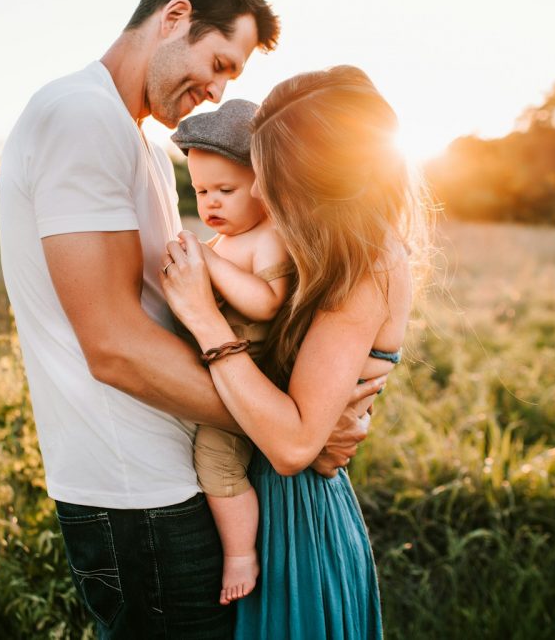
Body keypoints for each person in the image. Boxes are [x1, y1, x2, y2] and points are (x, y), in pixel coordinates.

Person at [0, 0, 387, 636]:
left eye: (231, 76)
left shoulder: (144, 146)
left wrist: (300, 418)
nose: (217, 90)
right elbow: (114, 346)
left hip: (177, 477)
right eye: (219, 62)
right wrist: (292, 429)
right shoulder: (79, 117)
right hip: (138, 492)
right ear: (175, 16)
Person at [160, 65, 428, 639]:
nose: (261, 191)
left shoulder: (364, 265)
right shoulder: (325, 252)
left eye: (273, 175)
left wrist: (206, 321)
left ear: (322, 179)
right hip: (272, 502)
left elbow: (293, 445)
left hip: (297, 518)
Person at [171, 98, 293, 605]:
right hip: (218, 372)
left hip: (250, 383)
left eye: (225, 190)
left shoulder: (269, 237)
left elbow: (266, 303)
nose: (211, 204)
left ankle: (241, 553)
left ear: (264, 187)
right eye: (201, 191)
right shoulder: (226, 241)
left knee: (215, 462)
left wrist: (208, 263)